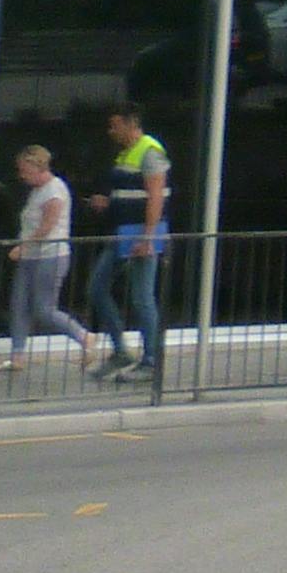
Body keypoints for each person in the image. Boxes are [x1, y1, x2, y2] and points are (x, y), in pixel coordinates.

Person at [87, 104, 171, 386]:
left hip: (140, 234)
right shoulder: (126, 153)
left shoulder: (150, 151)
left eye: (115, 125)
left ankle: (150, 361)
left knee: (142, 297)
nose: (111, 131)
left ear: (130, 123)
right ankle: (121, 351)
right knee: (97, 288)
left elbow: (155, 196)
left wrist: (148, 237)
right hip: (123, 232)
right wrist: (107, 202)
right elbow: (130, 192)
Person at [2, 143, 97, 376]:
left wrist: (24, 246)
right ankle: (17, 354)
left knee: (44, 309)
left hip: (50, 256)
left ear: (38, 167)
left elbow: (48, 225)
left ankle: (83, 335)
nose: (21, 175)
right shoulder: (37, 190)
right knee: (19, 304)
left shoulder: (55, 190)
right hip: (31, 256)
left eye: (25, 170)